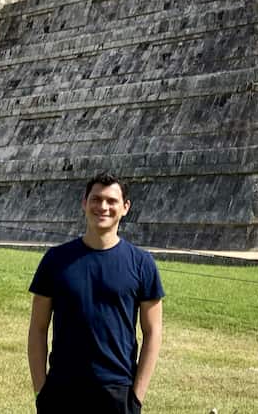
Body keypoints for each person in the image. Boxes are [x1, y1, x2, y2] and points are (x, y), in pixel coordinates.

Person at [28, 173, 164, 412]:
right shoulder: (55, 260)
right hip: (62, 390)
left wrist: (136, 397)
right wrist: (42, 390)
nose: (103, 207)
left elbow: (153, 332)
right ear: (84, 203)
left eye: (111, 201)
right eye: (96, 199)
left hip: (117, 391)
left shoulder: (142, 264)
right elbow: (38, 328)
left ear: (125, 207)